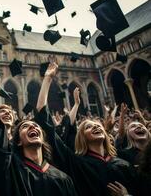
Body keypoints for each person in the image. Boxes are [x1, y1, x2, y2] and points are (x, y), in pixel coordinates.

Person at [34, 62, 137, 196]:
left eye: (98, 126)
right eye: (88, 126)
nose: (95, 126)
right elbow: (45, 121)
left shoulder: (124, 164)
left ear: (106, 135)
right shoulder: (77, 162)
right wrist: (47, 79)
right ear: (81, 136)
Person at [0, 69, 77, 196]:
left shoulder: (64, 179)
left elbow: (45, 122)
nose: (32, 127)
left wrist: (47, 79)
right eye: (25, 126)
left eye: (35, 126)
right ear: (17, 140)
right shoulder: (12, 170)